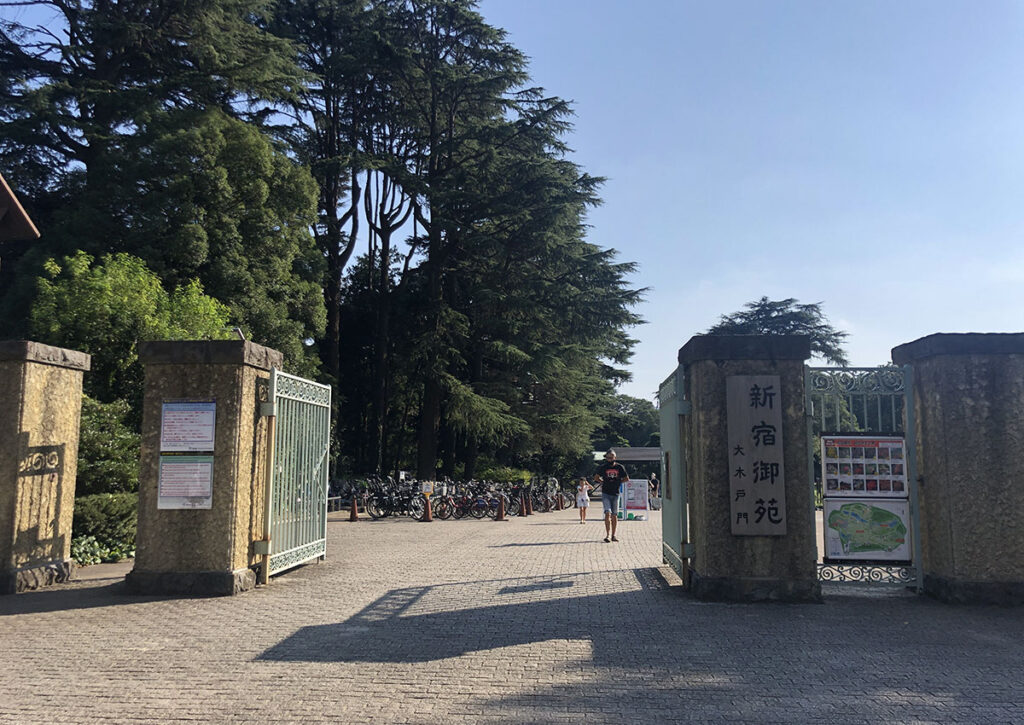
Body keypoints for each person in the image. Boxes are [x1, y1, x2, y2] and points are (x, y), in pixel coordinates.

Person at [593, 449, 629, 543]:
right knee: (607, 513)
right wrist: (602, 482)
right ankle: (608, 535)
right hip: (606, 493)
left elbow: (626, 478)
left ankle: (614, 535)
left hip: (616, 493)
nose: (610, 459)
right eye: (608, 457)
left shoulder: (620, 467)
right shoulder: (603, 467)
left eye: (611, 457)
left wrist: (618, 482)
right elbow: (596, 477)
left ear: (615, 457)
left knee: (614, 514)